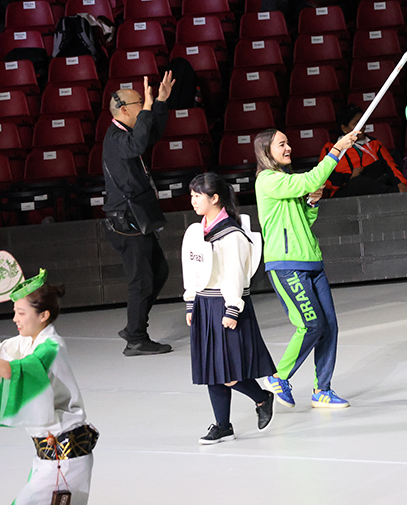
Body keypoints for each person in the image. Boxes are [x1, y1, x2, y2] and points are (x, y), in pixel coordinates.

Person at [255, 127, 358, 409]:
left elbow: (303, 220)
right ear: (266, 152)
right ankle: (279, 377)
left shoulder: (286, 181)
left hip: (311, 263)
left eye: (288, 143)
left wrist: (312, 201)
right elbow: (312, 178)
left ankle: (321, 390)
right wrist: (338, 149)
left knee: (329, 327)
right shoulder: (267, 180)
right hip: (287, 267)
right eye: (281, 144)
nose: (288, 148)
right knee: (311, 324)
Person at [183, 172, 276, 445]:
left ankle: (262, 397)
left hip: (226, 304)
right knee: (212, 370)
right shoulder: (196, 232)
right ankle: (222, 425)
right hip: (204, 303)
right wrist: (191, 302)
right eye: (191, 195)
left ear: (215, 198)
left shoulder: (232, 235)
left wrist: (232, 309)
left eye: (198, 195)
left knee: (228, 371)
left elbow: (235, 274)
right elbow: (191, 267)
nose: (193, 201)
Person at [1, 269, 99, 505]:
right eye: (15, 312)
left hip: (64, 457)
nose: (15, 318)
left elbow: (11, 370)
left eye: (21, 313)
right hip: (50, 456)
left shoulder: (50, 347)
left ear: (43, 315)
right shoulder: (27, 342)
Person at [102, 72, 175, 356]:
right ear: (124, 110)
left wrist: (160, 103)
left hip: (135, 218)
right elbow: (138, 145)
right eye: (139, 103)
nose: (144, 105)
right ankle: (135, 337)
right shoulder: (116, 138)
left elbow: (149, 136)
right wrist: (149, 107)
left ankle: (134, 325)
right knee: (141, 280)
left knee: (159, 271)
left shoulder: (127, 134)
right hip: (125, 221)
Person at [319, 105, 407, 198]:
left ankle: (394, 193)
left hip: (374, 187)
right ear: (344, 128)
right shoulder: (330, 148)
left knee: (385, 163)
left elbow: (391, 166)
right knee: (359, 181)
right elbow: (324, 177)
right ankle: (392, 193)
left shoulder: (375, 144)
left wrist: (401, 183)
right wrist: (349, 177)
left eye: (363, 122)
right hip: (345, 194)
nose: (362, 126)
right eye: (356, 123)